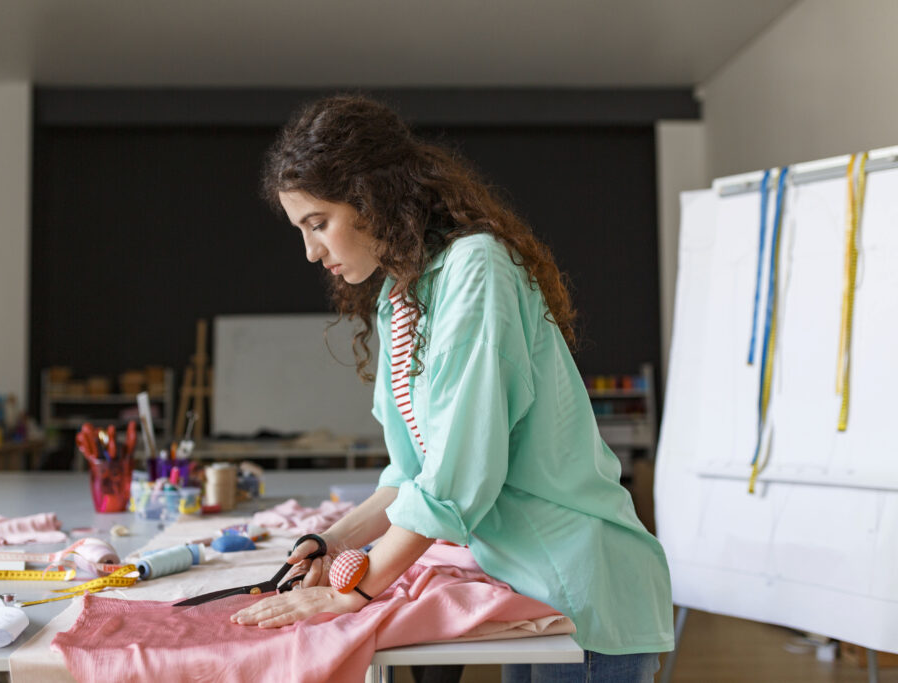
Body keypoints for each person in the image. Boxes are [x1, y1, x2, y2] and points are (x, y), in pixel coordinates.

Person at [229, 94, 674, 682]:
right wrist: (329, 542)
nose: (311, 251)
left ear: (370, 196)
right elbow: (411, 477)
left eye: (318, 224)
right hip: (525, 586)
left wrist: (358, 591)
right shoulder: (399, 298)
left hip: (578, 581)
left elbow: (460, 479)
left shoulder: (476, 267)